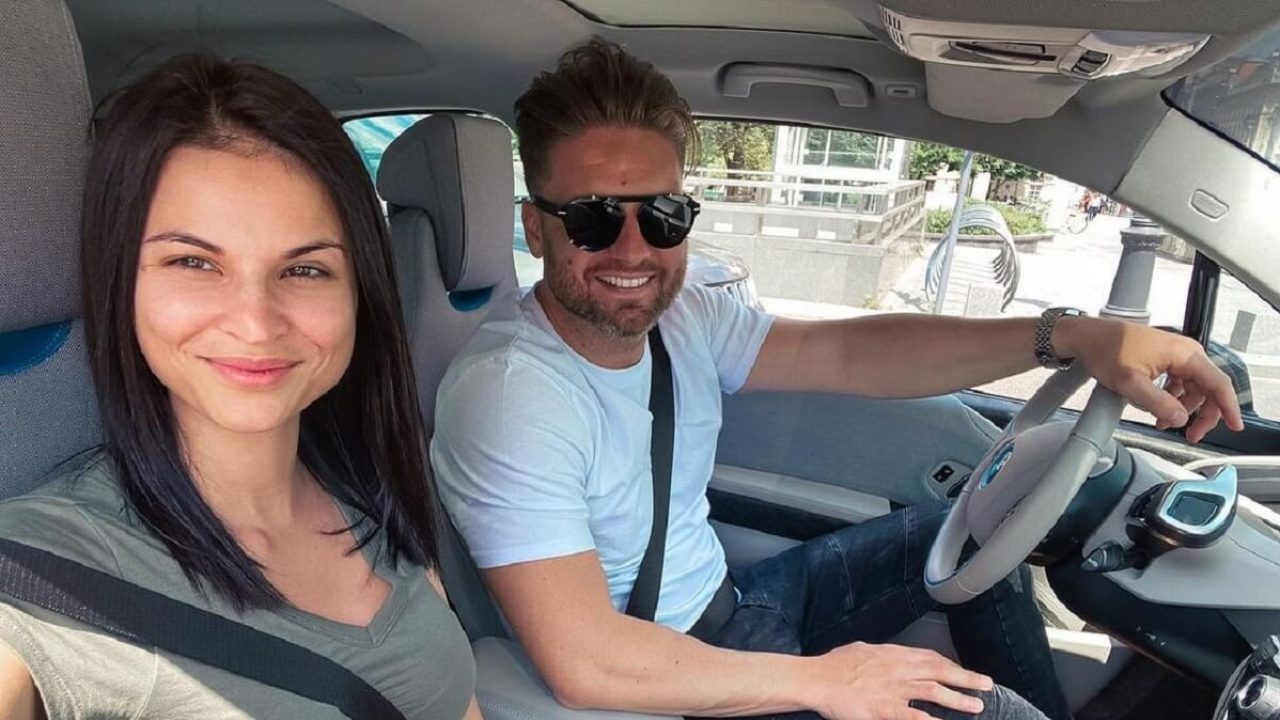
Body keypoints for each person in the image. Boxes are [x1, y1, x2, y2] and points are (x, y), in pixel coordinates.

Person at [432, 39, 1243, 720]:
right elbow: (587, 660)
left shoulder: (682, 317)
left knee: (975, 530)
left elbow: (849, 353)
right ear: (535, 226)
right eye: (593, 217)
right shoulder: (510, 395)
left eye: (664, 215)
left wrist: (1066, 336)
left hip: (734, 602)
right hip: (669, 680)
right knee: (992, 712)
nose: (634, 249)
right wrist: (825, 682)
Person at [0, 55, 481, 719]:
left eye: (305, 270)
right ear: (121, 281)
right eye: (193, 262)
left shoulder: (373, 483)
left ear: (359, 292)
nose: (256, 324)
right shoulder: (45, 577)